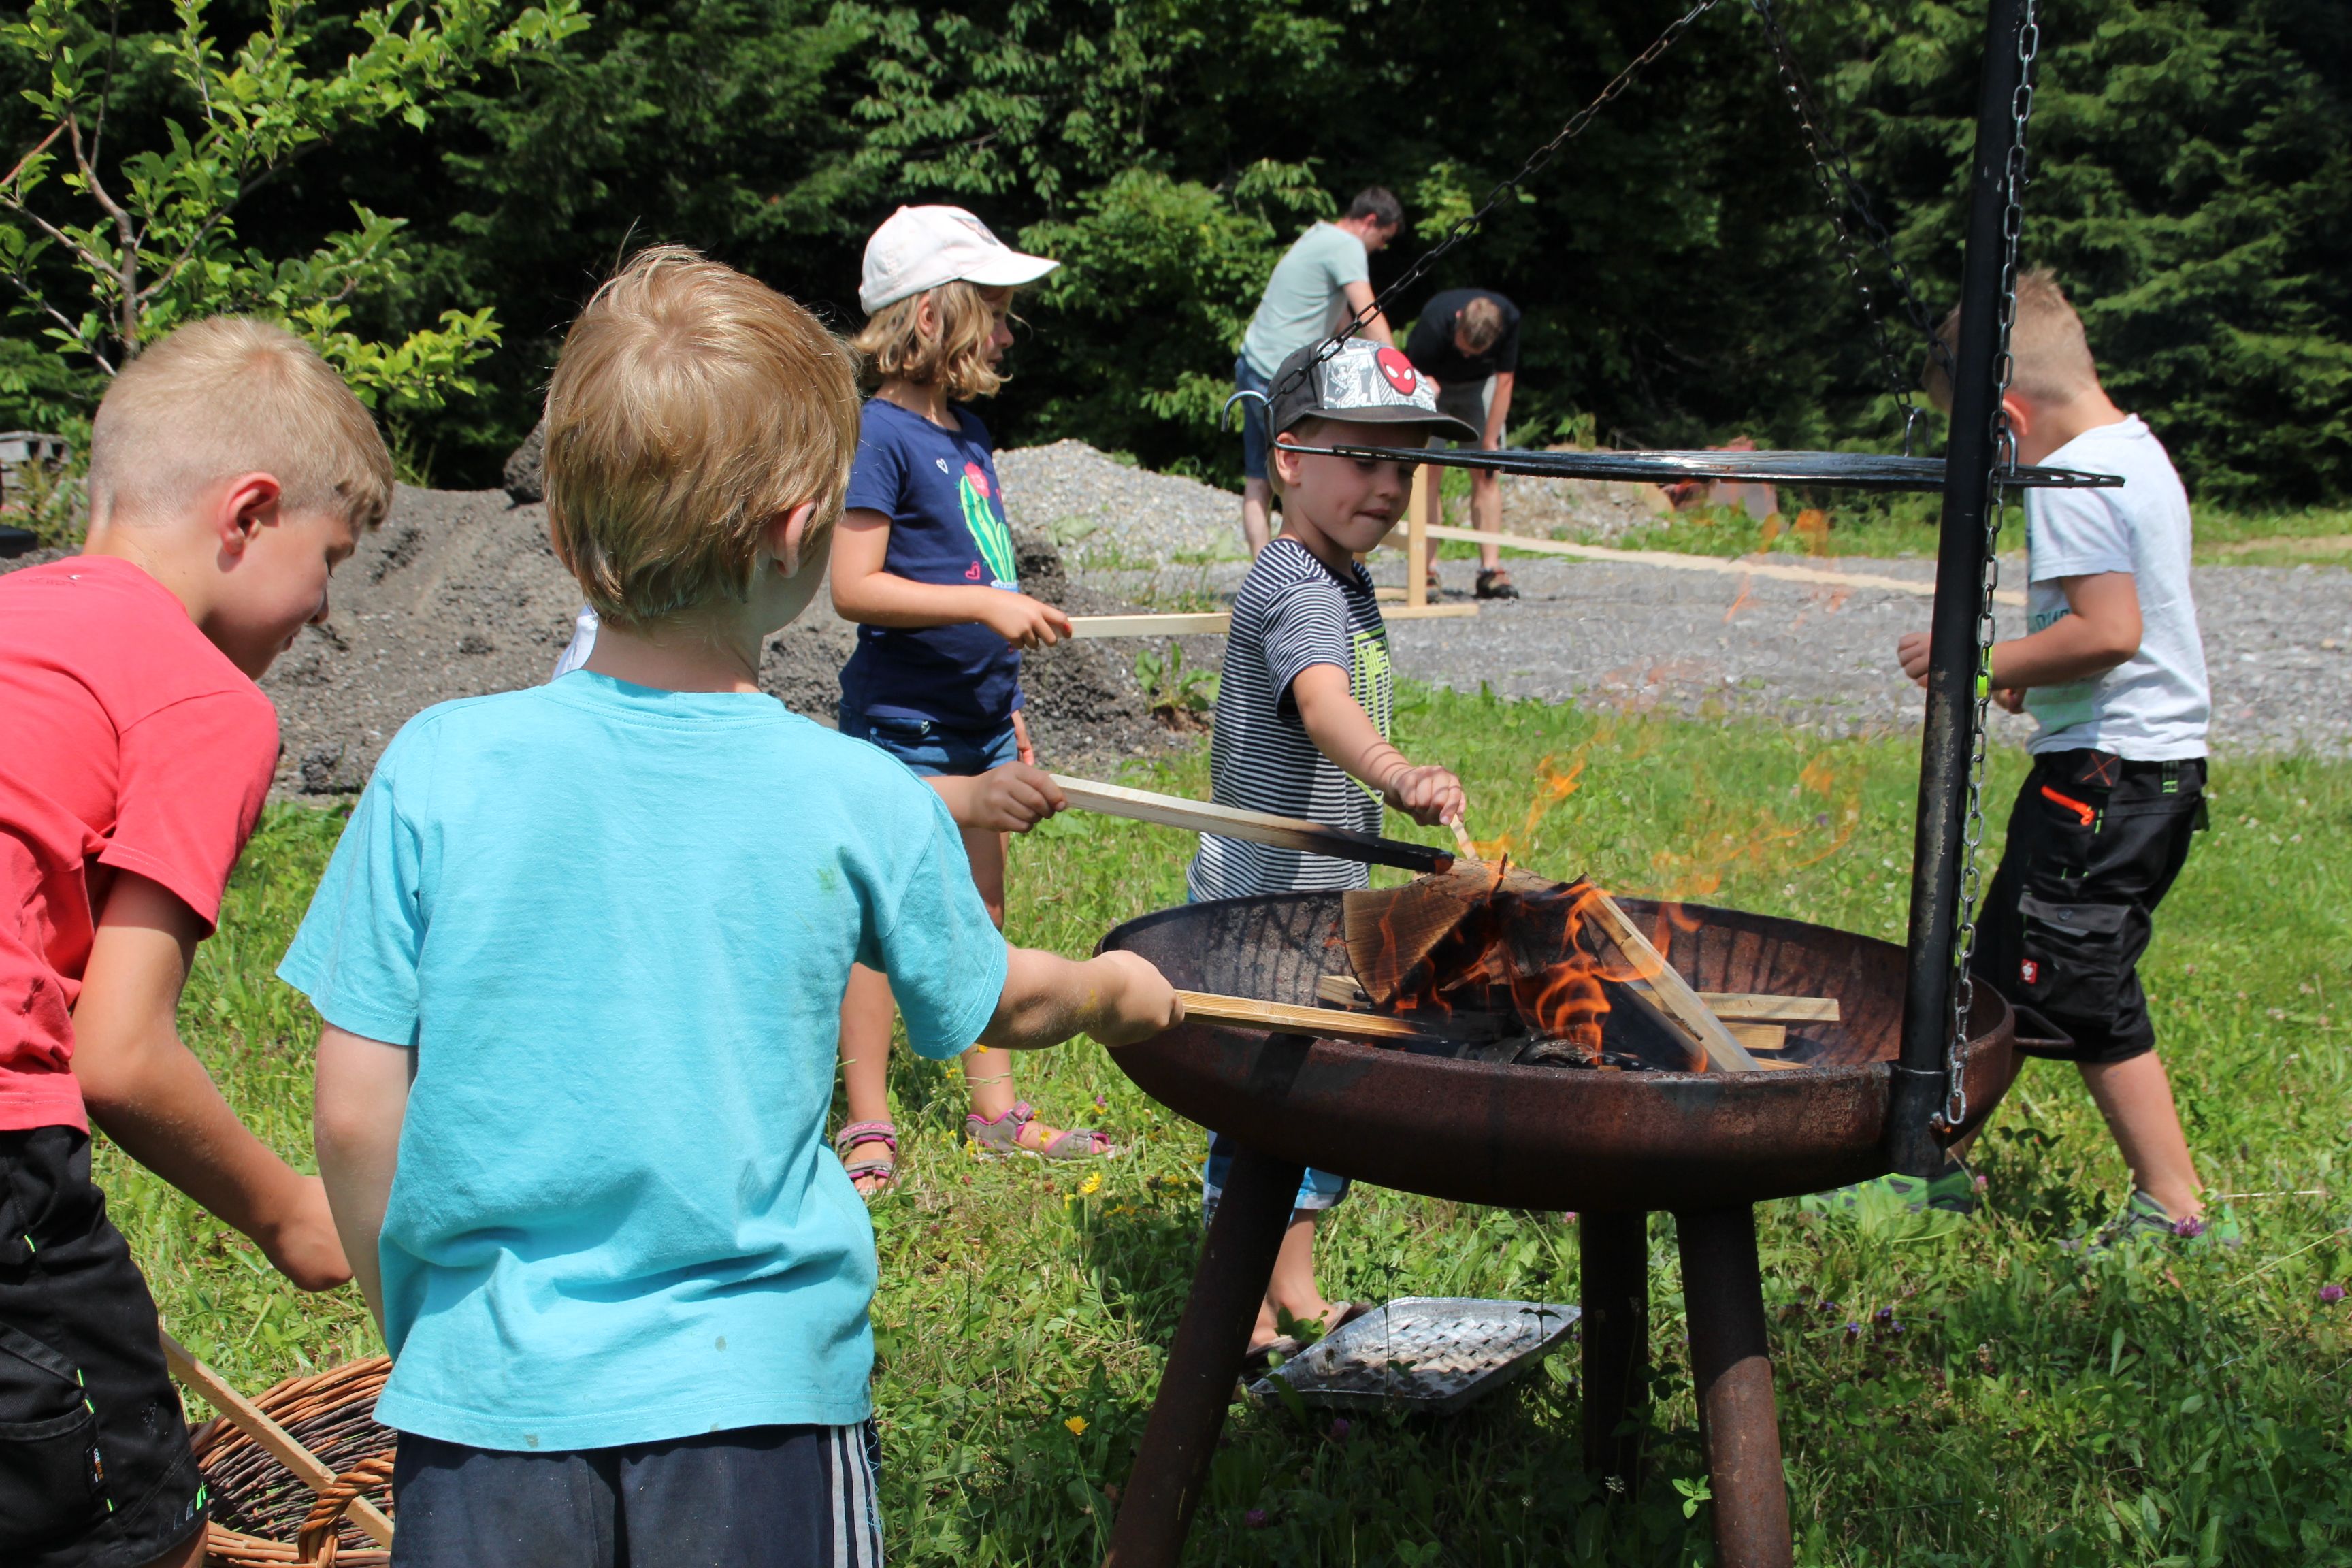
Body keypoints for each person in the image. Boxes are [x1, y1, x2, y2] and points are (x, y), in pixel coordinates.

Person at [291, 248, 1179, 1565]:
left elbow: (357, 1113)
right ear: (796, 528)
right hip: (756, 1395)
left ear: (558, 528)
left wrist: (424, 1333)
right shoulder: (858, 789)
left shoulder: (435, 764)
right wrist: (1115, 990)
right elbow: (998, 995)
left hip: (483, 1397)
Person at [1, 318, 374, 1568]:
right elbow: (118, 1054)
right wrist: (290, 1215)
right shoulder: (202, 696)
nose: (323, 608)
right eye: (329, 560)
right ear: (248, 514)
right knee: (135, 1528)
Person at [1884, 270, 2225, 1247]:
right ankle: (1929, 1172)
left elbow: (2109, 631)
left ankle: (2175, 1208)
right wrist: (2037, 675)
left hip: (2105, 780)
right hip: (2135, 767)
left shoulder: (2072, 476)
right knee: (2004, 973)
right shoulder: (2135, 451)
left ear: (2007, 418)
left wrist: (1977, 659)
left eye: (1982, 441)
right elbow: (2120, 628)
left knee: (2080, 987)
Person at [1190, 338, 1473, 1362]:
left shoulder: (1339, 576)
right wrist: (1395, 773)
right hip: (1268, 910)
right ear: (1290, 459)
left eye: (1405, 464)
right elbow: (1322, 704)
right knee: (1268, 1110)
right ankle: (1246, 1311)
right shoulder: (1301, 586)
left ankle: (1290, 1293)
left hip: (1313, 901)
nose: (1389, 486)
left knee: (1302, 1103)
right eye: (1363, 458)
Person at [827, 204, 1118, 1189]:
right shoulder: (879, 435)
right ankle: (869, 1121)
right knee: (881, 928)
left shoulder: (971, 434)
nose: (1006, 332)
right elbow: (854, 586)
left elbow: (971, 565)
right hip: (903, 728)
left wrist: (1010, 703)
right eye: (991, 311)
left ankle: (994, 1112)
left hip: (980, 720)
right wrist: (986, 605)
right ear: (929, 317)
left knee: (982, 909)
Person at [1232, 187, 1405, 555]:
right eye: (1383, 239)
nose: (1381, 248)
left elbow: (1345, 326)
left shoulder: (1318, 235)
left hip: (1251, 366)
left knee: (1259, 480)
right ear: (1370, 222)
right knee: (1302, 477)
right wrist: (1402, 379)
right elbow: (1368, 315)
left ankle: (1262, 571)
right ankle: (1296, 571)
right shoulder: (1347, 246)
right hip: (1277, 379)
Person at [1403, 288, 1522, 600]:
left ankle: (1490, 570)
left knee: (1487, 474)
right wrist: (1423, 383)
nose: (1467, 356)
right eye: (1464, 348)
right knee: (1429, 473)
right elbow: (1406, 373)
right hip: (1434, 387)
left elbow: (1505, 380)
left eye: (1475, 353)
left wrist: (1490, 440)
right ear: (1458, 321)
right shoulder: (1434, 321)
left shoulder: (1509, 319)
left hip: (1480, 387)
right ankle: (1426, 569)